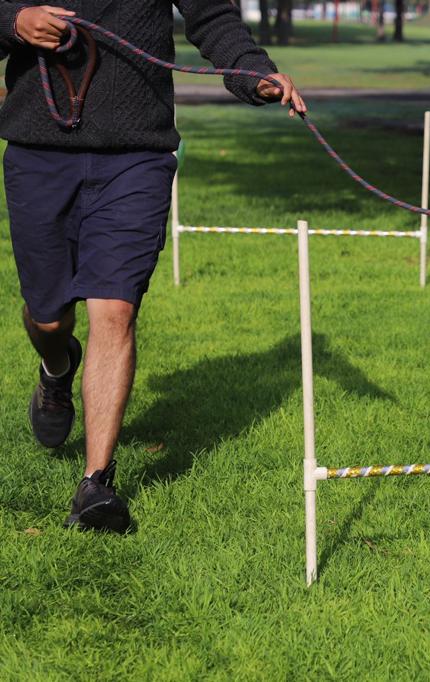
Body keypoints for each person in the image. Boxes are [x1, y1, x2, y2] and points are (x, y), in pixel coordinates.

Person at [0, 2, 306, 533]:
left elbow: (212, 17)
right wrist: (14, 23)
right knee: (49, 318)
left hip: (138, 155)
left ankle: (96, 485)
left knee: (114, 307)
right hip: (38, 152)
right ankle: (56, 367)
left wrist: (254, 75)